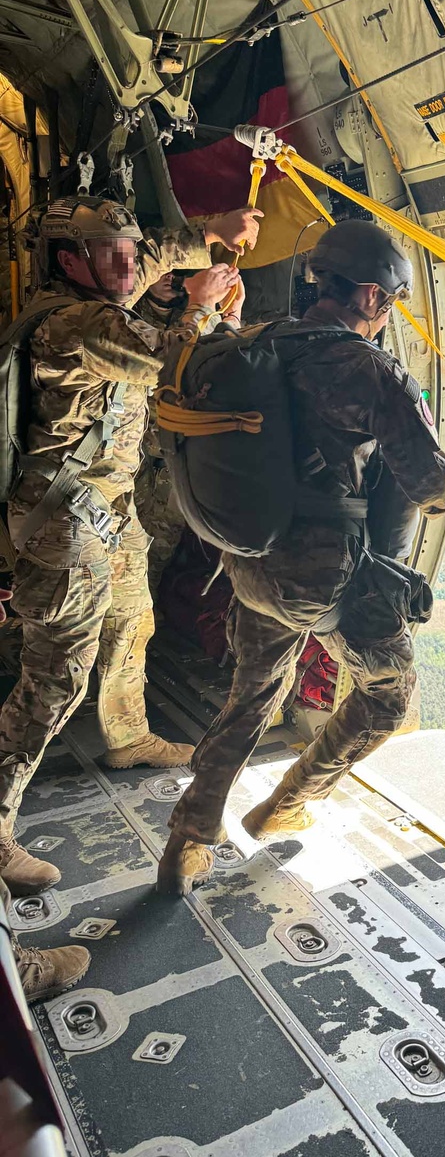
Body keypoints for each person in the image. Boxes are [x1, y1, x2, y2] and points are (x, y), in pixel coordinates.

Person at [157, 220, 445, 896]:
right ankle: (292, 797)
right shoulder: (370, 369)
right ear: (374, 296)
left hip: (248, 562)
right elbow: (431, 485)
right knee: (389, 694)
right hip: (325, 577)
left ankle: (188, 838)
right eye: (391, 303)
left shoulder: (260, 341)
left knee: (253, 694)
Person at [0, 196, 260, 915]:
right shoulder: (77, 323)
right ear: (68, 261)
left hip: (108, 515)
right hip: (66, 525)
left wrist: (208, 234)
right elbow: (175, 357)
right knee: (54, 682)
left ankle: (128, 735)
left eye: (129, 248)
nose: (128, 263)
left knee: (133, 622)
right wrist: (204, 306)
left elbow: (142, 261)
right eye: (108, 252)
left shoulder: (101, 283)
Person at [134, 268, 246, 599]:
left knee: (156, 554)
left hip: (177, 464)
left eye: (178, 273)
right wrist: (201, 307)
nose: (171, 278)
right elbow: (169, 359)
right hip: (135, 459)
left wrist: (229, 316)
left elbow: (211, 367)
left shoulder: (199, 321)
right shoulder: (129, 316)